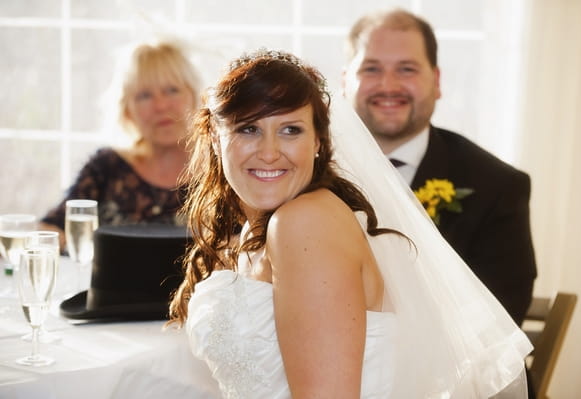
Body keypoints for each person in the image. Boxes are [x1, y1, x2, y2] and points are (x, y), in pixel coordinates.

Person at [168, 49, 532, 398]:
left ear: (317, 142)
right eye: (248, 129)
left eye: (291, 130)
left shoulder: (305, 223)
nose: (268, 151)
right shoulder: (256, 231)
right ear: (216, 139)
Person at [342, 8, 537, 326]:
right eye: (371, 69)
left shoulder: (498, 186)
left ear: (436, 81)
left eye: (406, 69)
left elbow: (499, 316)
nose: (388, 85)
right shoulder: (308, 172)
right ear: (345, 81)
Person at [40, 39, 201, 248]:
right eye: (144, 96)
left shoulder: (221, 171)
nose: (160, 105)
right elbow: (49, 230)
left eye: (172, 90)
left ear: (195, 97)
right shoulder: (105, 166)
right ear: (127, 110)